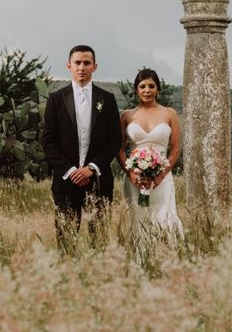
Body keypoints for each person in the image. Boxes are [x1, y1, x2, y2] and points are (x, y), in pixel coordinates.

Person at [41, 45, 121, 250]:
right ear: (69, 65)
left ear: (95, 66)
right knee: (66, 241)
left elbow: (114, 140)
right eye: (77, 63)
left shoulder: (107, 99)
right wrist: (70, 170)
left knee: (99, 241)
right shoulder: (56, 99)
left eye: (87, 63)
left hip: (99, 180)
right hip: (66, 181)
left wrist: (92, 168)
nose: (82, 67)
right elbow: (48, 141)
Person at [118, 68, 184, 246]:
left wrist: (161, 174)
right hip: (134, 178)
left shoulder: (169, 114)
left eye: (151, 86)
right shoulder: (126, 115)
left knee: (165, 216)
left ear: (158, 89)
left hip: (162, 177)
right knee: (138, 217)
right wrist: (131, 173)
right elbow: (120, 150)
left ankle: (168, 259)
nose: (147, 90)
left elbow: (176, 148)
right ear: (136, 90)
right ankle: (140, 263)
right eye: (142, 86)